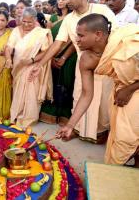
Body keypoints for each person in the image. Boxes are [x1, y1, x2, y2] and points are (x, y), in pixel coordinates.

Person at [29, 0, 117, 143]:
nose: (67, 1)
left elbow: (115, 37)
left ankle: (101, 133)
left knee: (104, 103)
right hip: (84, 63)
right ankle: (77, 128)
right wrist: (40, 64)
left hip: (107, 63)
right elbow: (58, 43)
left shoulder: (102, 11)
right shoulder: (69, 19)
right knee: (80, 96)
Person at [56, 14, 139, 167]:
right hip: (122, 93)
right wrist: (70, 125)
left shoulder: (128, 44)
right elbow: (87, 94)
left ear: (98, 35)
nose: (77, 39)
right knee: (122, 139)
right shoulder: (86, 59)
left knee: (127, 139)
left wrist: (130, 89)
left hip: (132, 91)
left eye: (81, 35)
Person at [5, 7, 53, 129]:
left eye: (29, 22)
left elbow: (46, 52)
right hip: (17, 67)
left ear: (35, 20)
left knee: (30, 92)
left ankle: (28, 119)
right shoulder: (16, 31)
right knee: (18, 91)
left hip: (32, 67)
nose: (26, 24)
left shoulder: (41, 33)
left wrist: (31, 60)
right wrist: (8, 59)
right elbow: (9, 47)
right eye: (24, 21)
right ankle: (16, 115)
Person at [40, 0, 77, 125]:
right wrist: (51, 58)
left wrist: (63, 57)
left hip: (69, 57)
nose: (61, 1)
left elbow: (73, 39)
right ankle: (51, 112)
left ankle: (65, 115)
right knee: (53, 82)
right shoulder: (53, 18)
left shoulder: (74, 18)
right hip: (52, 54)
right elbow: (49, 39)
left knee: (67, 84)